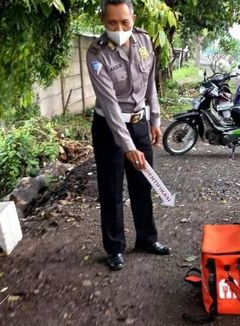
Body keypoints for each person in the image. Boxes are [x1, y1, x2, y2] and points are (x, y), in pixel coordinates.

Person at [86, 0, 170, 271]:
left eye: (125, 22)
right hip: (109, 128)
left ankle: (147, 239)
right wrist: (127, 146)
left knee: (142, 184)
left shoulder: (144, 42)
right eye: (112, 23)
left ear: (133, 18)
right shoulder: (96, 54)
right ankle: (114, 248)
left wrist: (154, 119)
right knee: (111, 189)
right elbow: (110, 106)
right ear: (103, 21)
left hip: (139, 123)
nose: (119, 28)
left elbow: (150, 84)